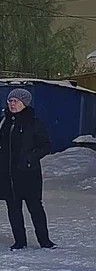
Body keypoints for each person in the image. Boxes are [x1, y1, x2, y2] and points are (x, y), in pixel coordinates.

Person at [0, 88, 56, 250]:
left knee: (35, 208)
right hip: (8, 175)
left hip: (29, 174)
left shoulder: (34, 123)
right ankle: (20, 241)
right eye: (10, 101)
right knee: (13, 209)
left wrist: (30, 158)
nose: (12, 104)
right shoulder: (4, 122)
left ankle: (45, 241)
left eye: (16, 101)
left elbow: (46, 146)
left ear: (25, 103)